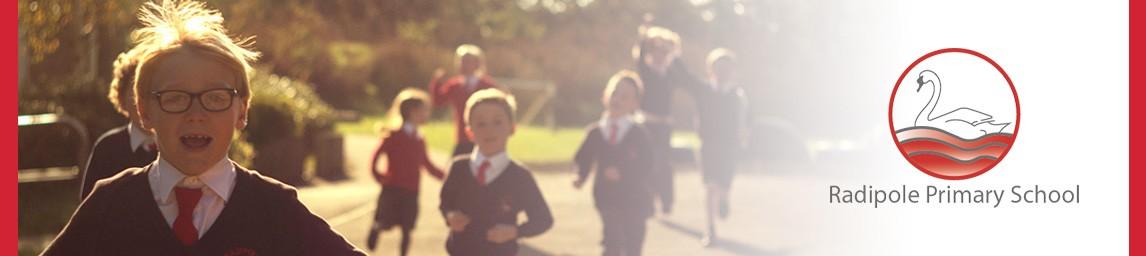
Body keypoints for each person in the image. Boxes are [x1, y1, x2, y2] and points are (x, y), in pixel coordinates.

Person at [41, 1, 365, 255]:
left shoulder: (274, 207)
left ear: (242, 112)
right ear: (144, 112)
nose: (196, 113)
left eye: (216, 97)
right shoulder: (109, 204)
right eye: (175, 97)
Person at [439, 88, 553, 256]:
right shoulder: (458, 168)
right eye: (481, 123)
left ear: (512, 128)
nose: (489, 130)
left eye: (497, 122)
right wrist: (450, 215)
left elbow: (543, 219)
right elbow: (445, 202)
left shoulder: (520, 176)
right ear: (469, 132)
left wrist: (514, 231)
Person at [573, 70, 656, 256]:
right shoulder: (595, 132)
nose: (617, 99)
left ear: (635, 104)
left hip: (635, 199)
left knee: (633, 244)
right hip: (606, 195)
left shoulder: (638, 134)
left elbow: (648, 164)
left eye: (624, 97)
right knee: (613, 239)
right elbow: (583, 157)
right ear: (605, 95)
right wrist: (580, 175)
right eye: (614, 94)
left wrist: (624, 174)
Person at [632, 26, 707, 215]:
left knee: (664, 162)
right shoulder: (646, 71)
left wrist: (675, 52)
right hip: (646, 123)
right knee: (647, 162)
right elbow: (639, 56)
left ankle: (666, 200)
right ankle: (647, 200)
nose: (661, 55)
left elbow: (687, 76)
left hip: (664, 124)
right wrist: (645, 36)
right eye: (658, 51)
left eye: (665, 52)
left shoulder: (671, 74)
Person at [366, 88, 446, 255]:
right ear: (412, 112)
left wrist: (446, 177)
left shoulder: (419, 138)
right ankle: (376, 228)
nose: (427, 114)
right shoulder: (394, 135)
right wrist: (379, 176)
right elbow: (375, 158)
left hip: (412, 190)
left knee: (407, 227)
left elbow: (427, 164)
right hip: (392, 188)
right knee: (385, 221)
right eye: (424, 111)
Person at [81, 49, 158, 199]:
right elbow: (89, 204)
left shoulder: (177, 145)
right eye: (134, 93)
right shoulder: (108, 148)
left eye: (150, 92)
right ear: (121, 99)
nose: (142, 102)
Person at [695, 48, 750, 246]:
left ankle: (725, 197)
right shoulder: (704, 90)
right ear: (710, 69)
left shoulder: (737, 95)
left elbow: (743, 121)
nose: (722, 72)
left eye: (726, 68)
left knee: (724, 184)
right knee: (710, 186)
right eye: (718, 67)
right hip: (708, 145)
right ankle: (710, 230)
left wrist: (742, 139)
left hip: (729, 146)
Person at [429, 44, 500, 156]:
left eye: (467, 61)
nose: (462, 65)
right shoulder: (455, 85)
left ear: (477, 64)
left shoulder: (486, 85)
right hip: (462, 137)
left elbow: (499, 107)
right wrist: (436, 83)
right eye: (461, 61)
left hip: (483, 137)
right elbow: (438, 102)